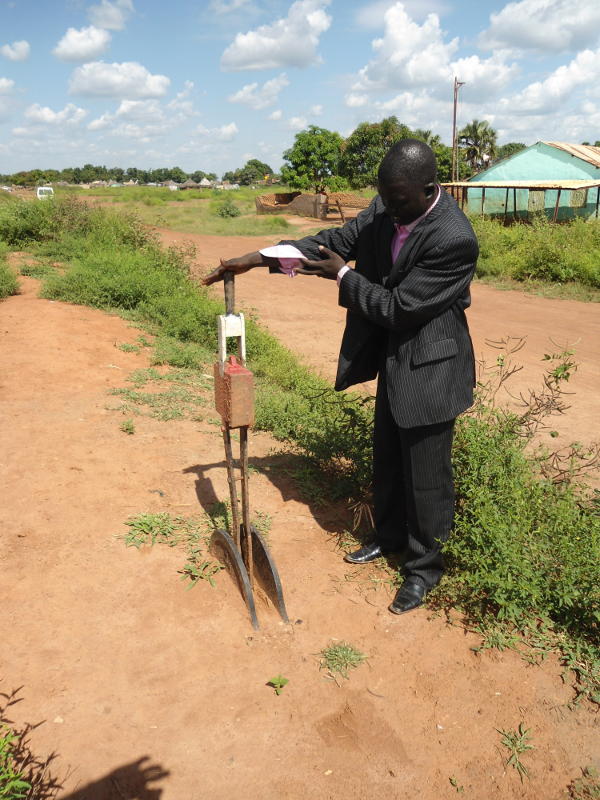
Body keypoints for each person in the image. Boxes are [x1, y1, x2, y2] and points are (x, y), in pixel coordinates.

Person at [203, 138, 479, 615]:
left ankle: (423, 570)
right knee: (389, 459)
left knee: (427, 480)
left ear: (428, 189)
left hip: (432, 367)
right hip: (396, 361)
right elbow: (327, 244)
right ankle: (389, 538)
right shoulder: (386, 206)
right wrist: (257, 258)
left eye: (398, 201)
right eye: (385, 198)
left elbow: (398, 308)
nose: (389, 210)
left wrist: (342, 277)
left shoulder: (454, 238)